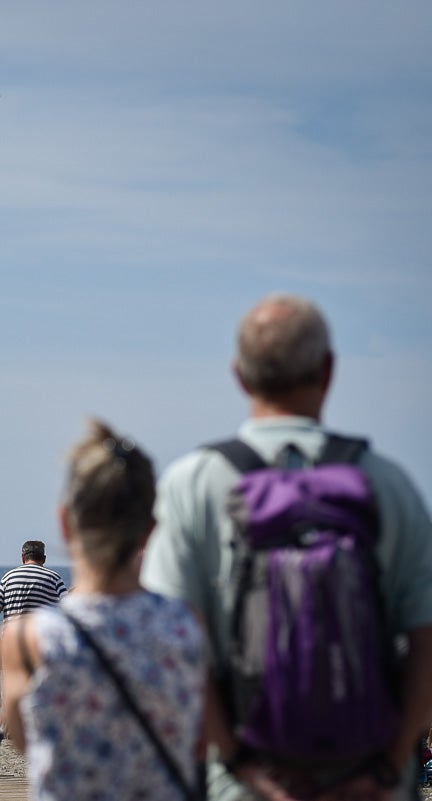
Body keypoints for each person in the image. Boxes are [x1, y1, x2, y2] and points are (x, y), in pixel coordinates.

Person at [141, 293, 432, 800]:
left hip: (248, 785)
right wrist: (387, 769)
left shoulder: (195, 483)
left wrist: (237, 764)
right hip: (372, 784)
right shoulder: (387, 485)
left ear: (239, 375)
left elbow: (173, 645)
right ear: (328, 371)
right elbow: (426, 640)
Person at [0, 419, 204, 800]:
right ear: (150, 530)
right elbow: (200, 738)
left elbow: (27, 739)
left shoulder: (28, 639)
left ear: (65, 524)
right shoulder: (187, 626)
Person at [0, 540, 67, 649]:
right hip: (42, 645)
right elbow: (69, 609)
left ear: (23, 557)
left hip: (12, 646)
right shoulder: (54, 579)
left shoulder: (8, 578)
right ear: (44, 559)